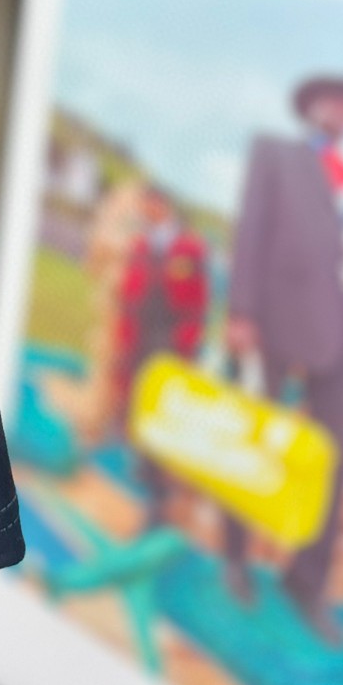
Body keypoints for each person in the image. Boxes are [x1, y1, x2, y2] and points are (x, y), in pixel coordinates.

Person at [224, 77, 343, 645]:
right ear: (312, 108)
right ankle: (234, 556)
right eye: (334, 98)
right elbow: (251, 230)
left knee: (335, 460)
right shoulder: (275, 153)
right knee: (252, 438)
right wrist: (241, 310)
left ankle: (306, 582)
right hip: (274, 320)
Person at [113, 185, 208, 524]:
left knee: (163, 408)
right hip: (141, 335)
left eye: (149, 205)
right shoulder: (142, 245)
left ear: (163, 205)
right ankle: (144, 466)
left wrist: (187, 344)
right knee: (138, 401)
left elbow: (198, 302)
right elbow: (130, 291)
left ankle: (161, 492)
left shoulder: (189, 248)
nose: (145, 211)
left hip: (170, 339)